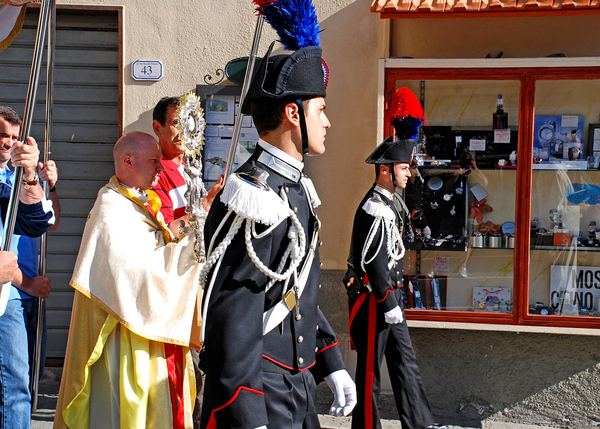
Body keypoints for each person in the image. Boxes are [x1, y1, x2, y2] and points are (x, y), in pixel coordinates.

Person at [199, 40, 356, 429]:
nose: (327, 122)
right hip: (259, 389)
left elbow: (293, 290)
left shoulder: (295, 187)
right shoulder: (253, 196)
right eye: (320, 110)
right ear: (293, 113)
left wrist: (330, 362)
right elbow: (231, 319)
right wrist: (247, 415)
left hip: (295, 381)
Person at [54, 132, 204, 429]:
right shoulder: (110, 208)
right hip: (126, 334)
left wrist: (196, 220)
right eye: (153, 161)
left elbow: (157, 243)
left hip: (148, 327)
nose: (161, 168)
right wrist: (187, 252)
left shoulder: (136, 202)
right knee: (128, 412)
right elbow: (137, 274)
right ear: (128, 161)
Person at [345, 88, 446, 429]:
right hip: (376, 299)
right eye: (403, 168)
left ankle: (419, 423)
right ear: (385, 171)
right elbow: (372, 262)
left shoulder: (389, 202)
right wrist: (388, 301)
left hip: (390, 296)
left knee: (404, 362)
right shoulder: (375, 207)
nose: (408, 173)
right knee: (370, 370)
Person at [0, 105, 56, 428]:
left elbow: (40, 222)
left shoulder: (14, 177)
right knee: (15, 389)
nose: (8, 144)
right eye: (1, 135)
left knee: (22, 384)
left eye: (14, 138)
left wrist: (33, 175)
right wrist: (25, 282)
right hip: (12, 293)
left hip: (18, 294)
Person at [151, 96, 223, 237]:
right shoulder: (155, 172)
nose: (184, 132)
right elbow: (166, 233)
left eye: (188, 124)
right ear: (157, 128)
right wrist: (207, 204)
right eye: (176, 123)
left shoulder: (189, 167)